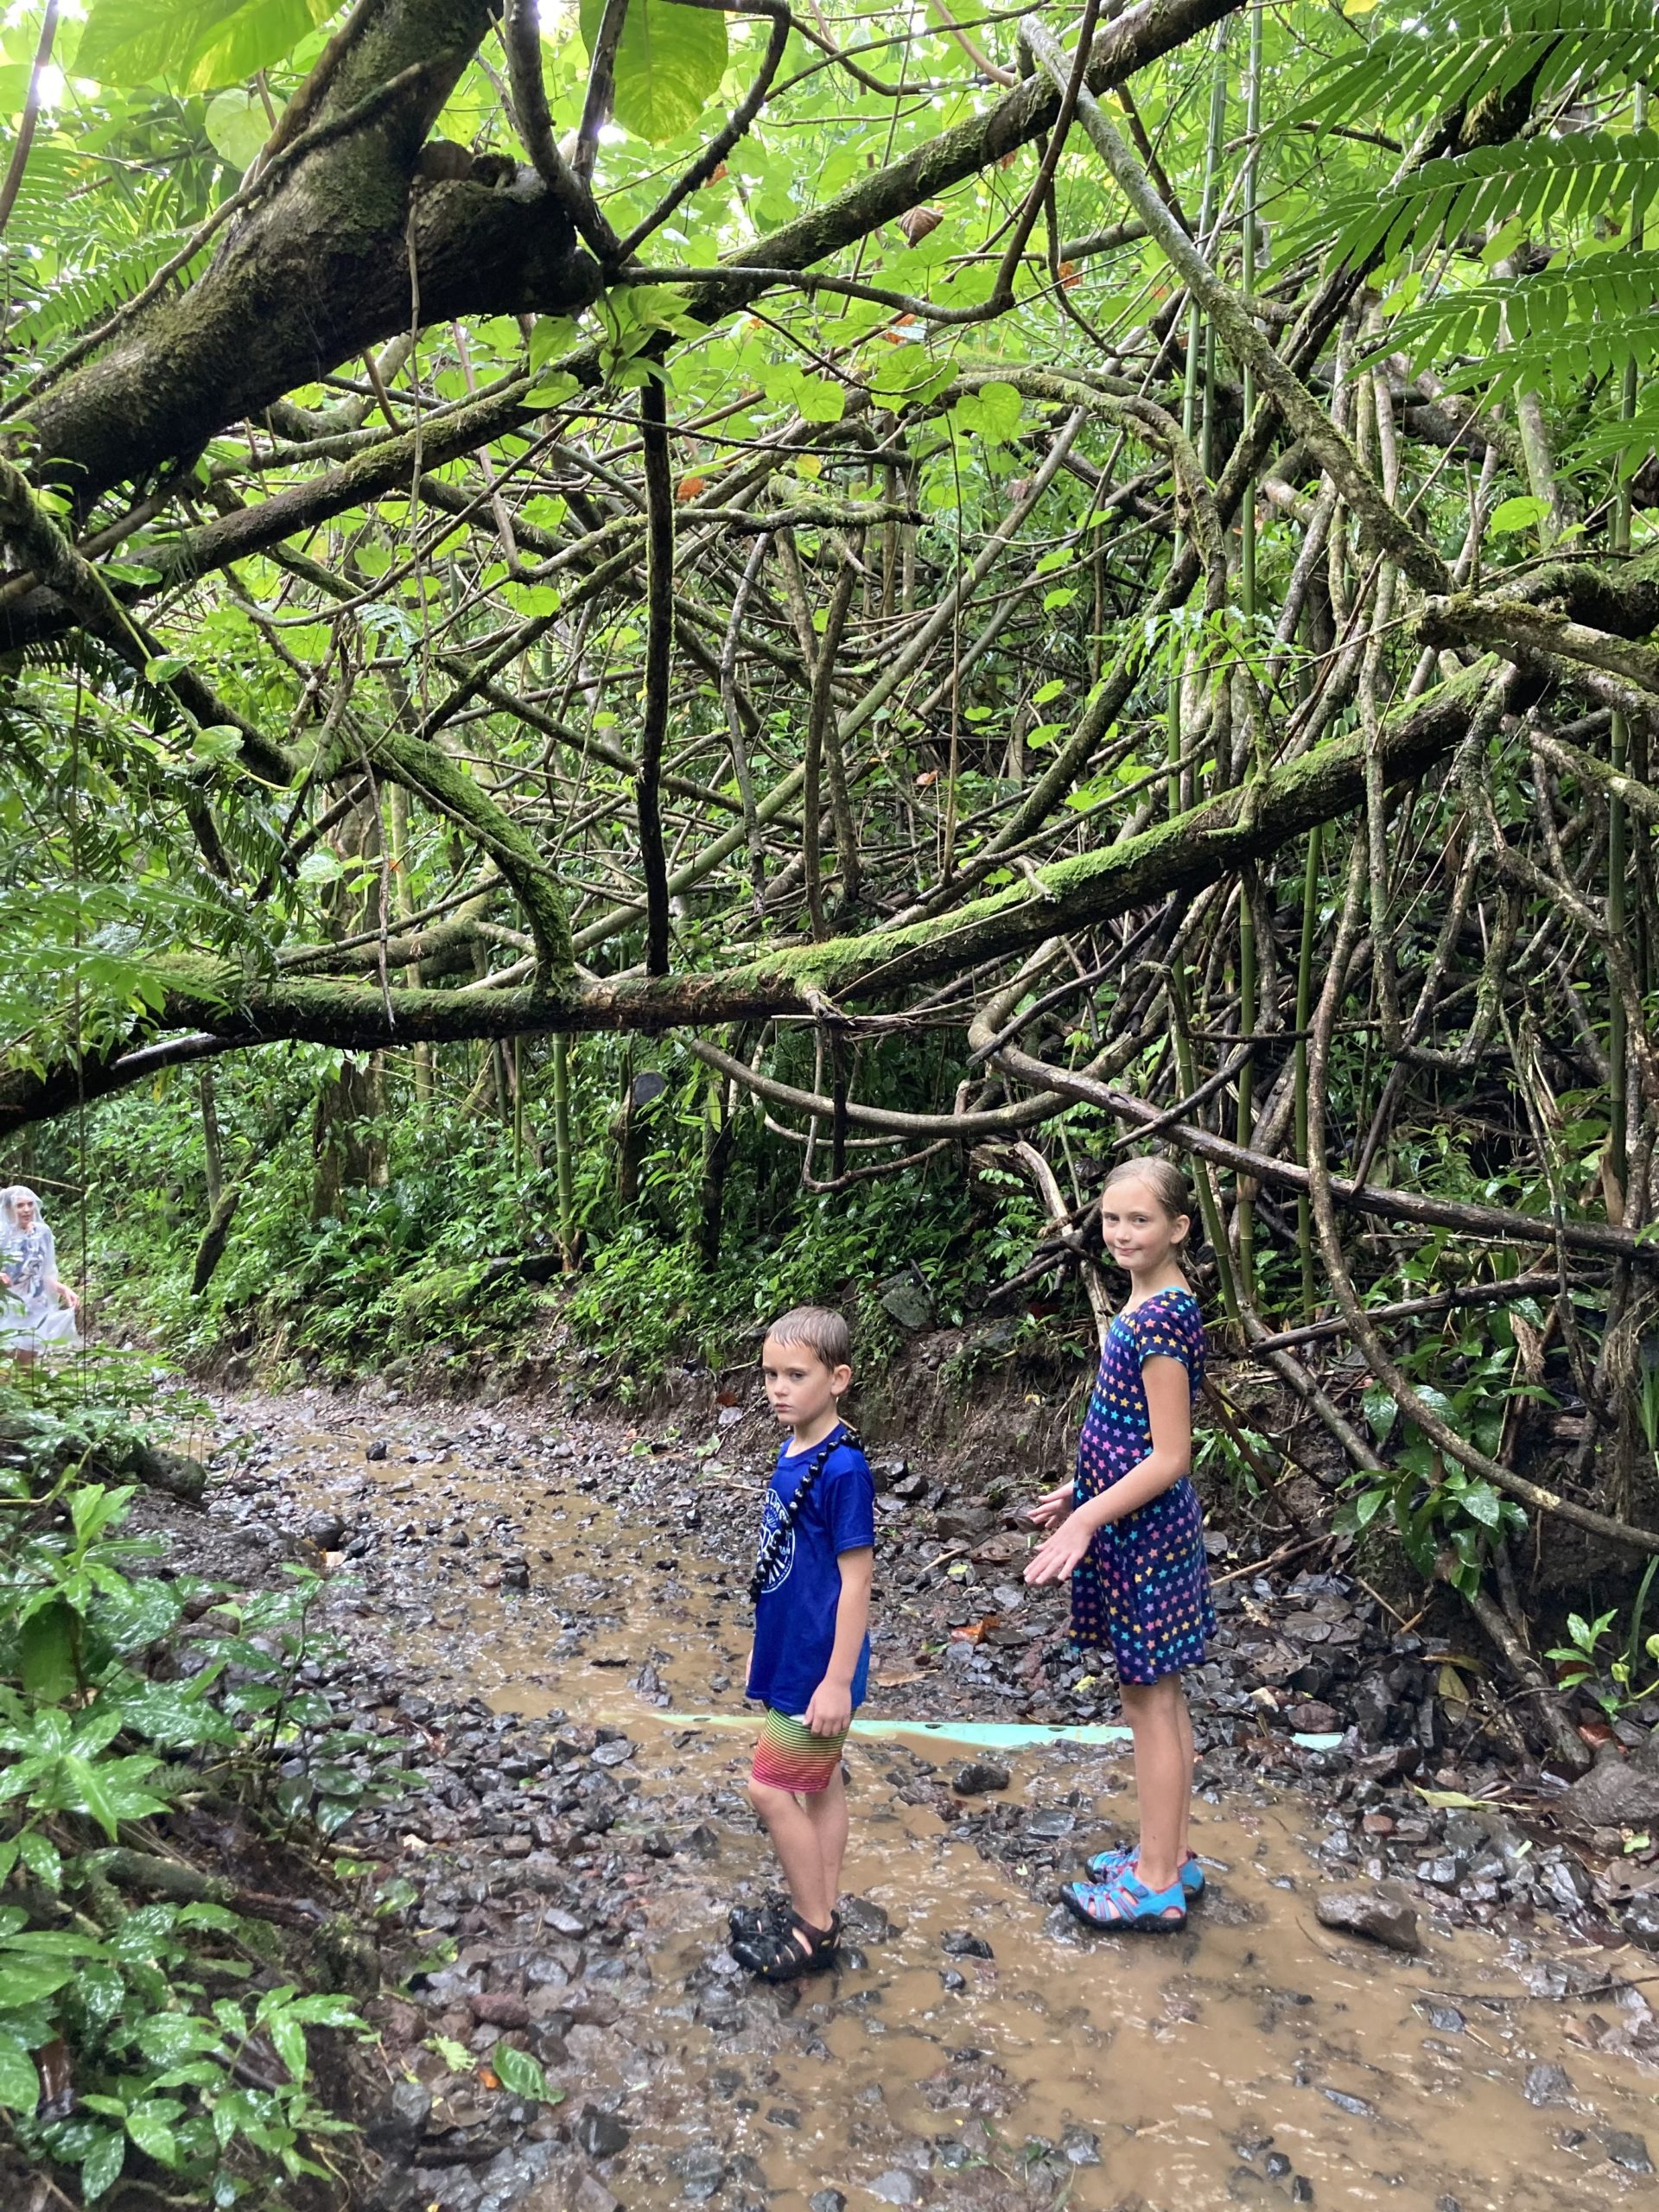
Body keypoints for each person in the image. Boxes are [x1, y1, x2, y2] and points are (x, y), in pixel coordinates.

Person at [1024, 1155, 1213, 1929]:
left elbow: (1172, 1455)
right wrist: (1079, 1488)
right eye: (1111, 1218)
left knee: (1148, 1702)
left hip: (1145, 1537)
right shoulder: (1144, 1303)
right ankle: (1167, 1852)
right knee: (1159, 1699)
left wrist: (1088, 1518)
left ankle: (1158, 1882)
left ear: (1178, 1229)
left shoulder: (1163, 1316)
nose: (1123, 1232)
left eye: (1141, 1220)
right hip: (1129, 1523)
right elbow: (1131, 1432)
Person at [730, 1305, 874, 1981]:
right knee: (820, 1785)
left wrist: (838, 1679)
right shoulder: (793, 1451)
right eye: (770, 1375)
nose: (778, 1388)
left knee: (767, 1790)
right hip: (791, 1652)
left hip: (820, 1664)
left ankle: (815, 1923)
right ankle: (823, 1900)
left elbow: (855, 1580)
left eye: (796, 1375)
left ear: (837, 1378)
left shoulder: (843, 1470)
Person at [0, 1185, 80, 1361]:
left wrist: (64, 1290)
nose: (27, 1210)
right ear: (8, 1208)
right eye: (20, 1205)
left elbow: (43, 1274)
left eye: (30, 1204)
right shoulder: (2, 1236)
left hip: (34, 1305)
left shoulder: (42, 1233)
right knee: (4, 1364)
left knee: (28, 1364)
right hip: (6, 1306)